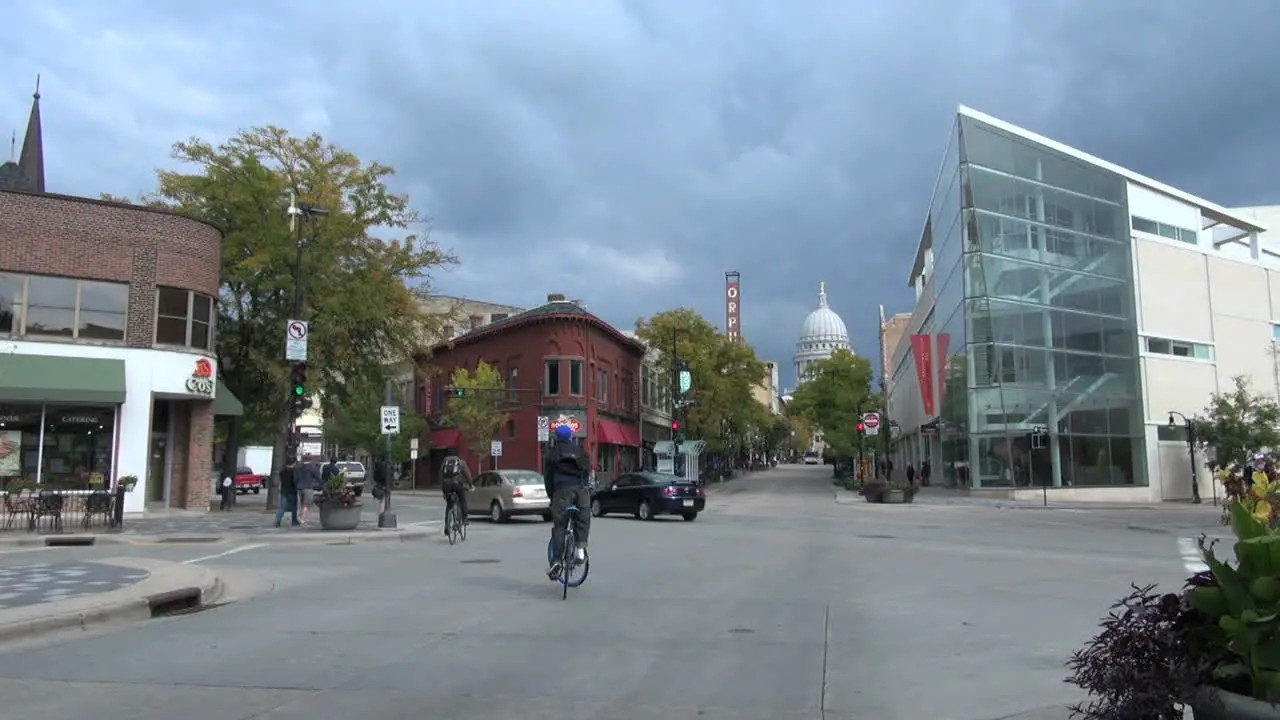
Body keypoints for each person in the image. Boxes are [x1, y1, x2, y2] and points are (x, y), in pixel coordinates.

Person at [544, 424, 591, 581]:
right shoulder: (579, 451)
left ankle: (557, 561)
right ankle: (580, 550)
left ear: (556, 438)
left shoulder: (552, 452)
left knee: (560, 525)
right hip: (581, 490)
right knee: (582, 519)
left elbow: (548, 478)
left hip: (562, 491)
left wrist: (552, 496)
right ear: (571, 437)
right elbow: (587, 470)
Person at [440, 455, 471, 534]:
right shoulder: (461, 462)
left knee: (449, 506)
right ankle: (464, 519)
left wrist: (444, 491)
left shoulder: (444, 464)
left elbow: (441, 477)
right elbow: (467, 475)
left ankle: (447, 527)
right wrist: (470, 485)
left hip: (446, 485)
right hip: (457, 484)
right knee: (462, 499)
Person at [295, 454, 320, 525]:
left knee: (302, 504)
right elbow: (318, 477)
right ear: (311, 459)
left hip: (299, 488)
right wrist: (321, 485)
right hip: (308, 488)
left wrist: (297, 485)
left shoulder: (298, 467)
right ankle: (303, 520)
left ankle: (301, 516)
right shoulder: (313, 467)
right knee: (306, 505)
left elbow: (295, 478)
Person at [274, 459, 300, 528]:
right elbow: (295, 481)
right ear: (293, 463)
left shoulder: (282, 471)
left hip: (284, 491)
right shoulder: (294, 471)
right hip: (292, 491)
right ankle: (294, 521)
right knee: (294, 507)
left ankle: (277, 521)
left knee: (282, 507)